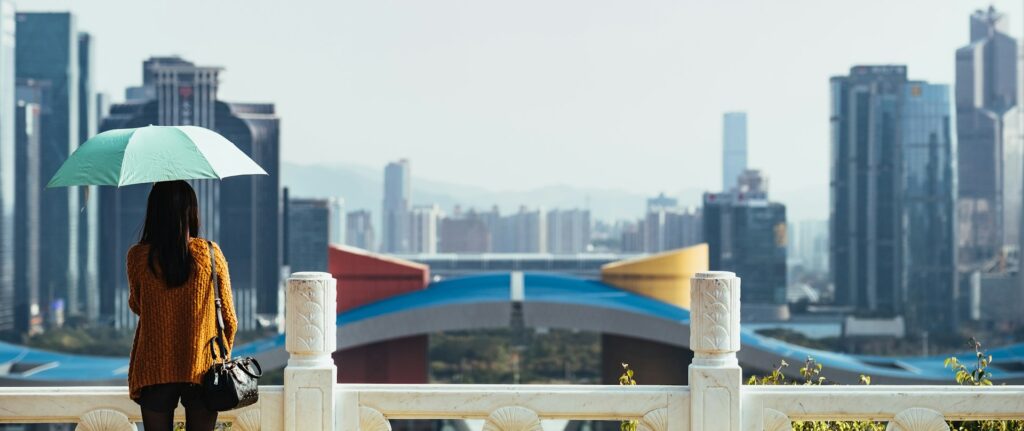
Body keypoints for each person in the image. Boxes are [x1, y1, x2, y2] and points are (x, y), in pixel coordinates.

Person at [127, 180, 237, 431]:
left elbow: (137, 305)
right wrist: (217, 356)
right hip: (203, 370)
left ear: (153, 212)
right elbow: (229, 319)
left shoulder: (138, 256)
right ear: (191, 212)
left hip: (154, 368)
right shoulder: (211, 253)